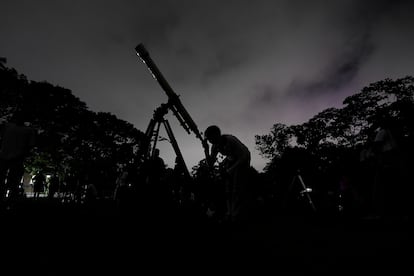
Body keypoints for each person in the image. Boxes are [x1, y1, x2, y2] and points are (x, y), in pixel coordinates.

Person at [204, 125, 251, 224]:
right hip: (231, 159)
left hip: (243, 158)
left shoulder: (231, 140)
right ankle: (229, 213)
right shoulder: (215, 146)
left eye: (210, 138)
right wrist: (206, 150)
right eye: (208, 140)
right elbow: (210, 164)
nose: (209, 141)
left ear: (217, 135)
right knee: (227, 189)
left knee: (236, 187)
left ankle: (235, 215)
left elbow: (243, 156)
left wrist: (230, 170)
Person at [0, 113, 36, 201]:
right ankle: (11, 196)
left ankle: (7, 194)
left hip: (5, 156)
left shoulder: (8, 126)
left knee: (5, 176)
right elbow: (31, 145)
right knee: (14, 179)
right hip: (17, 157)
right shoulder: (28, 130)